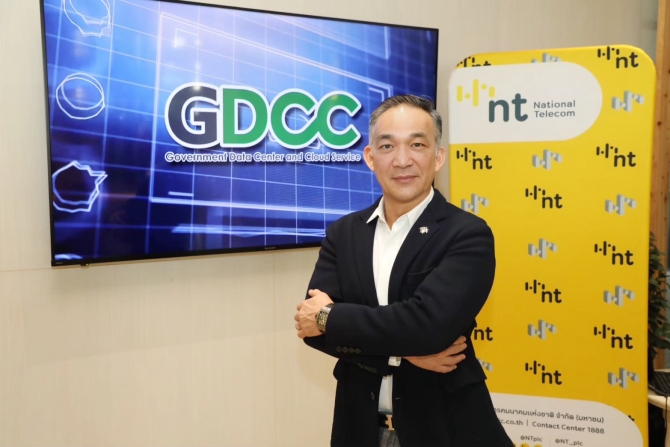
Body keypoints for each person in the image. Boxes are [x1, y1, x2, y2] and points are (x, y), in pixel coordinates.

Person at [294, 95, 513, 447]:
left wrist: (331, 318)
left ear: (438, 157)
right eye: (387, 146)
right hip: (359, 431)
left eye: (417, 144)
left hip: (446, 431)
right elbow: (313, 331)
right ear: (370, 157)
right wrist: (404, 352)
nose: (402, 160)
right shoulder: (344, 233)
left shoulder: (467, 233)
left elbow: (429, 327)